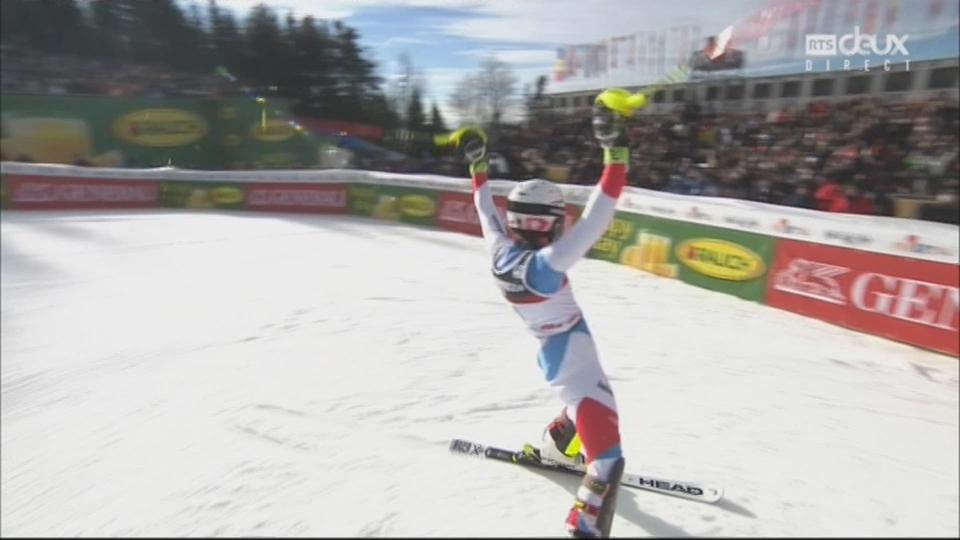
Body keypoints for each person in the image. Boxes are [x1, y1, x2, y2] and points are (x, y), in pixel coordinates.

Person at [446, 88, 645, 538]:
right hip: (569, 347)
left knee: (579, 400)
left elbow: (484, 210)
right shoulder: (547, 265)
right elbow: (598, 216)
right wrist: (615, 153)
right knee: (607, 453)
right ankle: (585, 524)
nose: (544, 229)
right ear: (554, 222)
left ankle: (557, 447)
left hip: (553, 343)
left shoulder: (500, 251)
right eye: (544, 223)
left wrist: (478, 166)